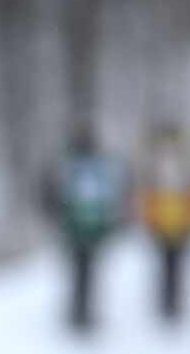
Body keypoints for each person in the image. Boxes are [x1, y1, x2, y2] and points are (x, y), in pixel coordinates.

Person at [43, 127, 129, 332]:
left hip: (73, 226)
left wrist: (57, 215)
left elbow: (52, 193)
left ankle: (78, 311)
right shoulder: (101, 164)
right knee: (89, 269)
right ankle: (85, 311)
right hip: (94, 226)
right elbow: (114, 194)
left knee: (78, 269)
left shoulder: (67, 163)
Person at [137, 122, 190, 324]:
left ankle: (171, 305)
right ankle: (169, 305)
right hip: (169, 221)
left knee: (172, 266)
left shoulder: (177, 161)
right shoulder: (175, 161)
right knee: (170, 266)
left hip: (175, 221)